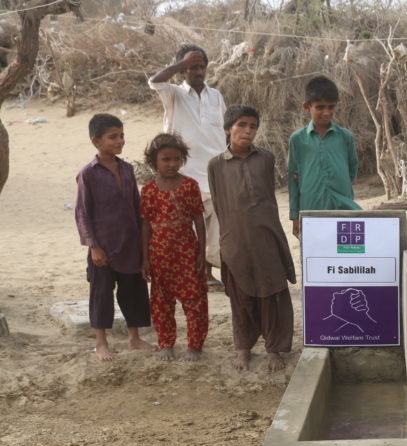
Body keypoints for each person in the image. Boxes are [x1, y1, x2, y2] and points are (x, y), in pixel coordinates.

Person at [207, 105, 296, 372]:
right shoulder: (216, 165)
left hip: (266, 235)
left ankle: (274, 349)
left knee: (273, 293)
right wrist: (227, 239)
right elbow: (221, 204)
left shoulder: (266, 158)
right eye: (242, 125)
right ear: (228, 129)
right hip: (235, 238)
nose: (248, 131)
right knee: (240, 295)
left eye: (253, 126)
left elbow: (267, 197)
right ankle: (243, 348)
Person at [74, 114, 153, 361]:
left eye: (121, 136)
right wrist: (94, 246)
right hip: (103, 247)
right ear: (96, 141)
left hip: (129, 244)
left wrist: (143, 247)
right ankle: (101, 343)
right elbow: (82, 213)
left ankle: (134, 338)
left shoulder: (127, 169)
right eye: (113, 137)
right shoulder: (88, 174)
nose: (120, 141)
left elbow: (137, 208)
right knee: (101, 293)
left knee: (133, 291)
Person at [149, 44, 226, 290]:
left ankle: (207, 273)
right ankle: (187, 276)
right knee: (187, 229)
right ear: (183, 70)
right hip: (184, 173)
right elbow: (154, 81)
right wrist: (181, 63)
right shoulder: (173, 93)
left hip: (215, 172)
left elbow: (223, 130)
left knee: (215, 229)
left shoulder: (216, 96)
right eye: (192, 67)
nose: (197, 71)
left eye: (201, 66)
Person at [139, 133, 208, 362]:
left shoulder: (190, 186)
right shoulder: (148, 191)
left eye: (177, 159)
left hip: (187, 253)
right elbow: (146, 226)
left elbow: (199, 220)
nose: (172, 164)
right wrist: (145, 259)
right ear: (154, 161)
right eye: (166, 159)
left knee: (194, 301)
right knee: (161, 302)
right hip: (159, 255)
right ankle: (166, 343)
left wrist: (202, 253)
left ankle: (195, 346)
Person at [288, 76, 360, 239]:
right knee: (315, 258)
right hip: (311, 209)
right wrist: (294, 215)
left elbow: (352, 170)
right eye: (320, 107)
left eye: (331, 107)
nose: (326, 113)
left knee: (346, 254)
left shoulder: (345, 137)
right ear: (307, 107)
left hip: (343, 209)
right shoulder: (297, 140)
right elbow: (293, 180)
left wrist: (337, 182)